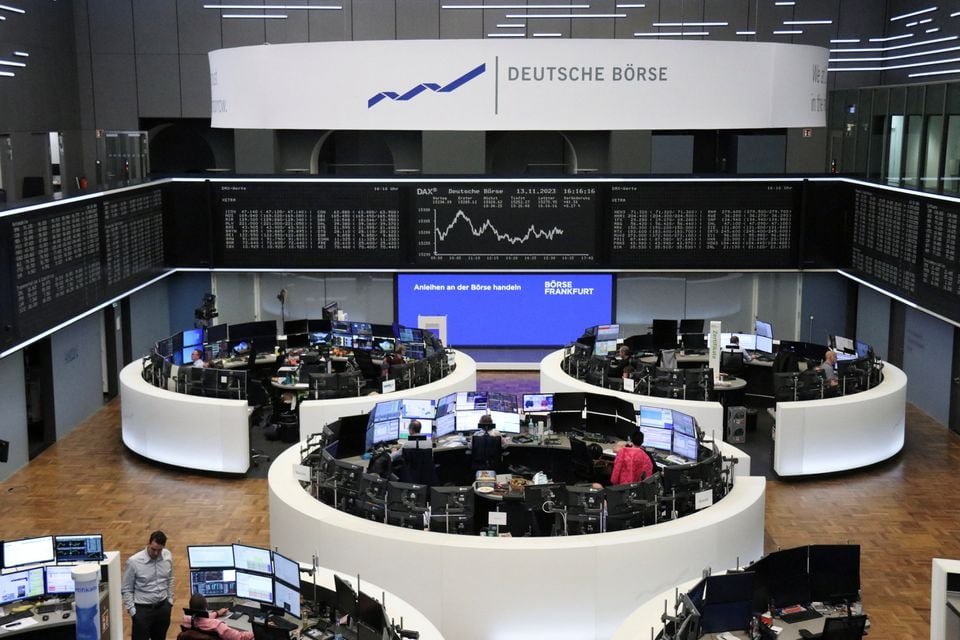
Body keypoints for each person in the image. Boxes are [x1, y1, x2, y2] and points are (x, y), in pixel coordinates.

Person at [122, 531, 174, 640]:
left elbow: (170, 578)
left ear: (163, 547)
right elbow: (126, 588)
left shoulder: (167, 556)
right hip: (142, 611)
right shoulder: (134, 562)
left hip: (163, 608)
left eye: (159, 550)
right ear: (148, 544)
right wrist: (132, 611)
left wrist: (169, 600)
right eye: (153, 549)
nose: (155, 553)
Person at [181, 593, 253, 640]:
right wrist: (253, 633)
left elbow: (201, 618)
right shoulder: (216, 625)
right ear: (206, 607)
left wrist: (217, 613)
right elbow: (238, 637)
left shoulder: (187, 621)